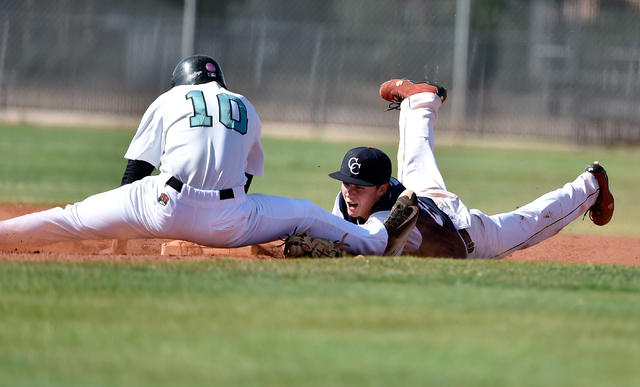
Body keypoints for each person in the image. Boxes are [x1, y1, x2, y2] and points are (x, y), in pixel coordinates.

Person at [0, 56, 418, 257]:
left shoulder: (171, 97)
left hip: (160, 206)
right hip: (230, 221)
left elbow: (136, 172)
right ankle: (376, 242)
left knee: (69, 218)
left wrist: (121, 238)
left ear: (182, 81)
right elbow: (248, 177)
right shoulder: (245, 106)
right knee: (307, 214)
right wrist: (228, 219)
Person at [328, 79, 614, 259]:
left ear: (382, 189)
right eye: (347, 183)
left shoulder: (395, 221)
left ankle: (592, 185)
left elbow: (375, 248)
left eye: (359, 187)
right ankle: (421, 100)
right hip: (424, 199)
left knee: (531, 221)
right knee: (415, 160)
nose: (350, 193)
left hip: (469, 235)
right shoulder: (349, 198)